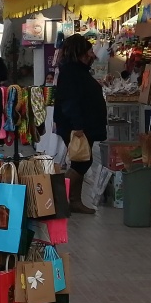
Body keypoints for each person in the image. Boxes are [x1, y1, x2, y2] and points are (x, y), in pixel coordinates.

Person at [53, 34, 107, 216]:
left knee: (81, 161)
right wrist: (77, 126)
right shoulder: (71, 72)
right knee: (81, 163)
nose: (93, 54)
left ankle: (74, 201)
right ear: (80, 53)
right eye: (90, 51)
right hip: (77, 127)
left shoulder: (77, 70)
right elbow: (70, 101)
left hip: (84, 125)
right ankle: (56, 199)